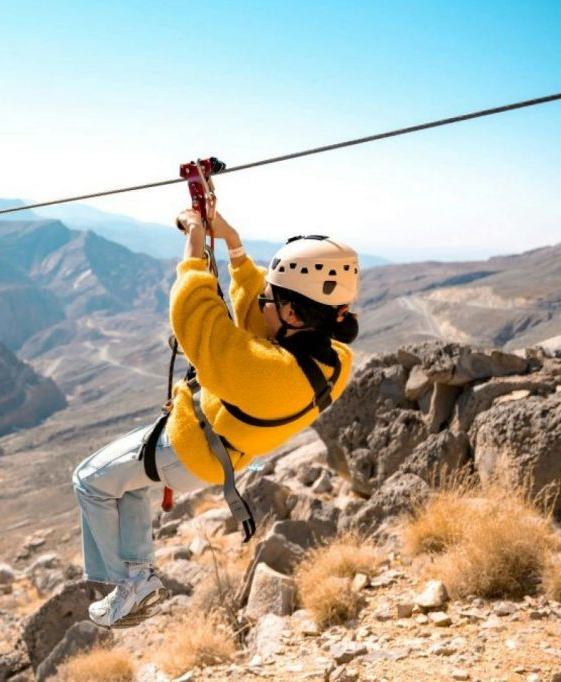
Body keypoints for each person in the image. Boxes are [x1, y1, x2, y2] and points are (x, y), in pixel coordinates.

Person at [72, 205, 360, 628]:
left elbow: (199, 320)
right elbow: (258, 325)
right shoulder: (335, 359)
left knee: (89, 482)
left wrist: (193, 244)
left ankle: (126, 586)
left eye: (272, 299)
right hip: (215, 454)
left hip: (186, 447)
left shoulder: (262, 373)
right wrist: (234, 246)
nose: (263, 301)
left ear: (295, 315)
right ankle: (139, 574)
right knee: (129, 488)